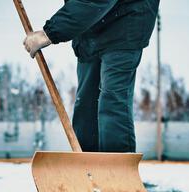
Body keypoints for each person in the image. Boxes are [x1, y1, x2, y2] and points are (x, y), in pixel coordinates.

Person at [24, 0, 160, 153]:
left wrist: (49, 32)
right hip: (90, 30)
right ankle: (88, 167)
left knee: (112, 101)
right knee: (86, 104)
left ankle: (117, 169)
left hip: (126, 23)